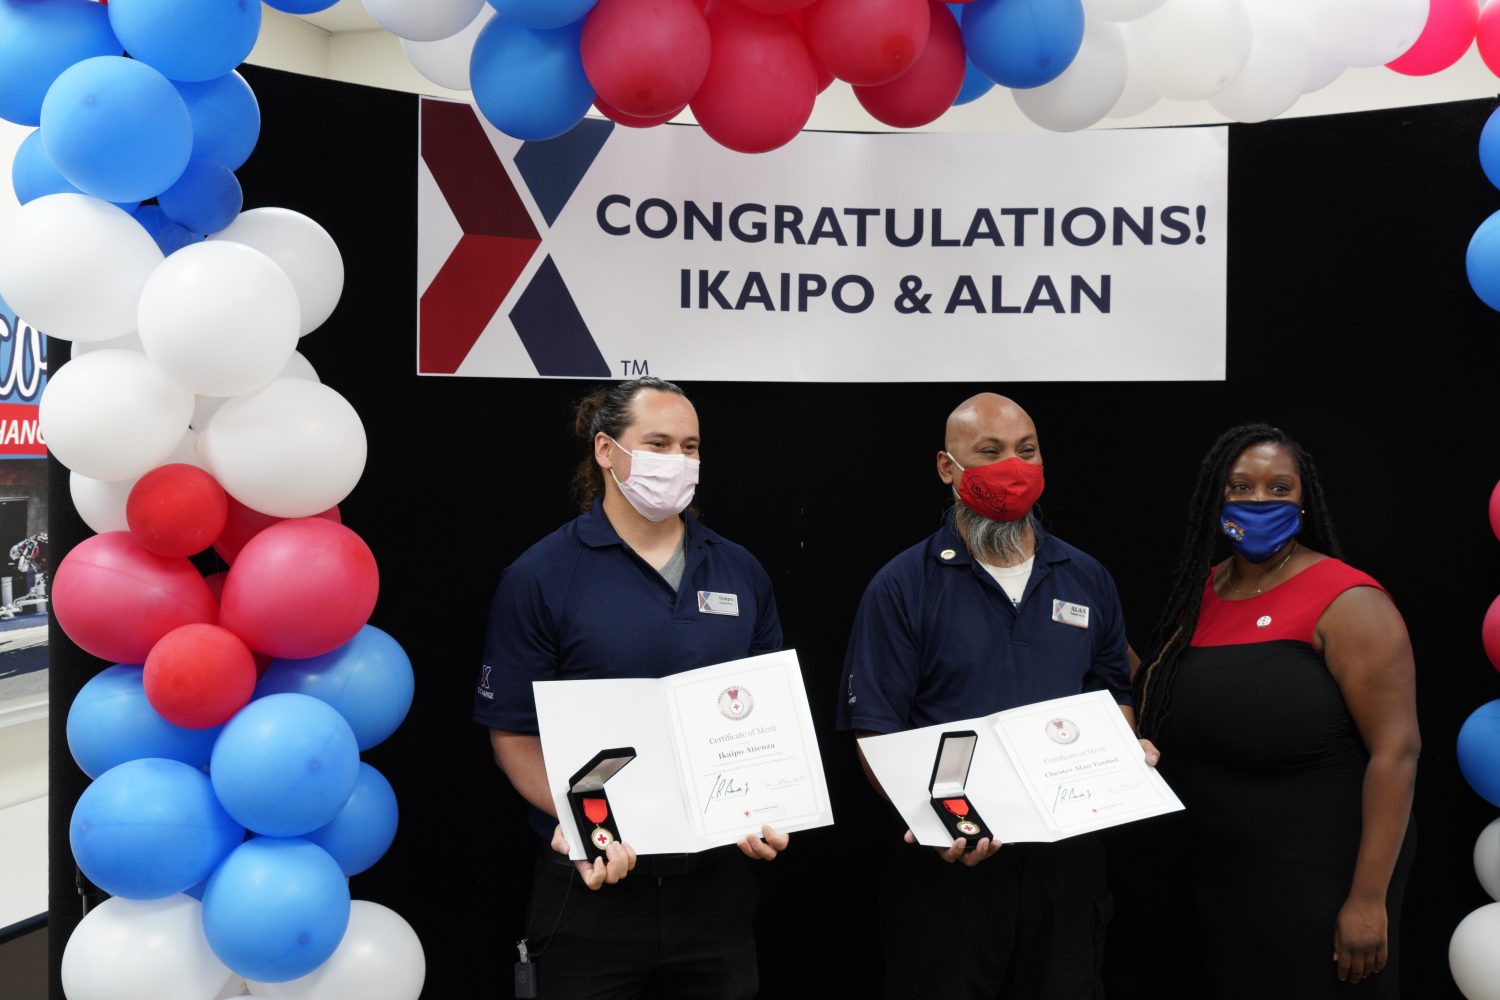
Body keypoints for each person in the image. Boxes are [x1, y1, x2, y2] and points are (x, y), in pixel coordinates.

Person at [474, 376, 787, 1000]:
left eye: (691, 447)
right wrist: (580, 818)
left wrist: (767, 805)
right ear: (605, 452)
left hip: (715, 890)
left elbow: (768, 718)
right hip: (593, 881)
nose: (678, 462)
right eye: (659, 443)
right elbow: (511, 730)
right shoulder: (542, 576)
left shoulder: (739, 570)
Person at [837, 392, 1145, 1000]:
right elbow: (875, 733)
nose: (1013, 467)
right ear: (948, 468)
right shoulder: (903, 586)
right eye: (991, 452)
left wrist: (1124, 750)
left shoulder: (1085, 576)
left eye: (1026, 451)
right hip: (950, 870)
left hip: (1067, 866)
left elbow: (1113, 695)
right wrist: (949, 824)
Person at [1133, 423, 1418, 998]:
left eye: (1278, 488)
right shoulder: (1198, 594)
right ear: (1216, 498)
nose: (1259, 501)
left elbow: (1398, 752)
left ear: (1303, 498)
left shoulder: (1348, 600)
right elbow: (1159, 696)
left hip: (1325, 882)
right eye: (1240, 487)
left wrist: (1368, 899)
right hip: (1224, 880)